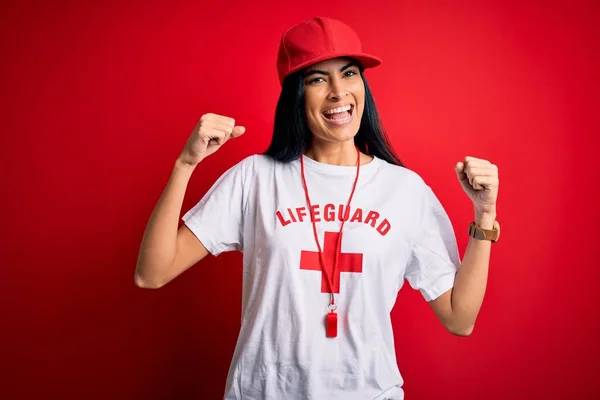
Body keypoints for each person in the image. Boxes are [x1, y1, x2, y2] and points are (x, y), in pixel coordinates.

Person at [134, 16, 500, 400]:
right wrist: (185, 165)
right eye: (317, 79)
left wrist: (484, 217)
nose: (339, 93)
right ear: (296, 94)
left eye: (349, 73)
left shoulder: (405, 191)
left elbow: (460, 318)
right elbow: (152, 273)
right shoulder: (256, 178)